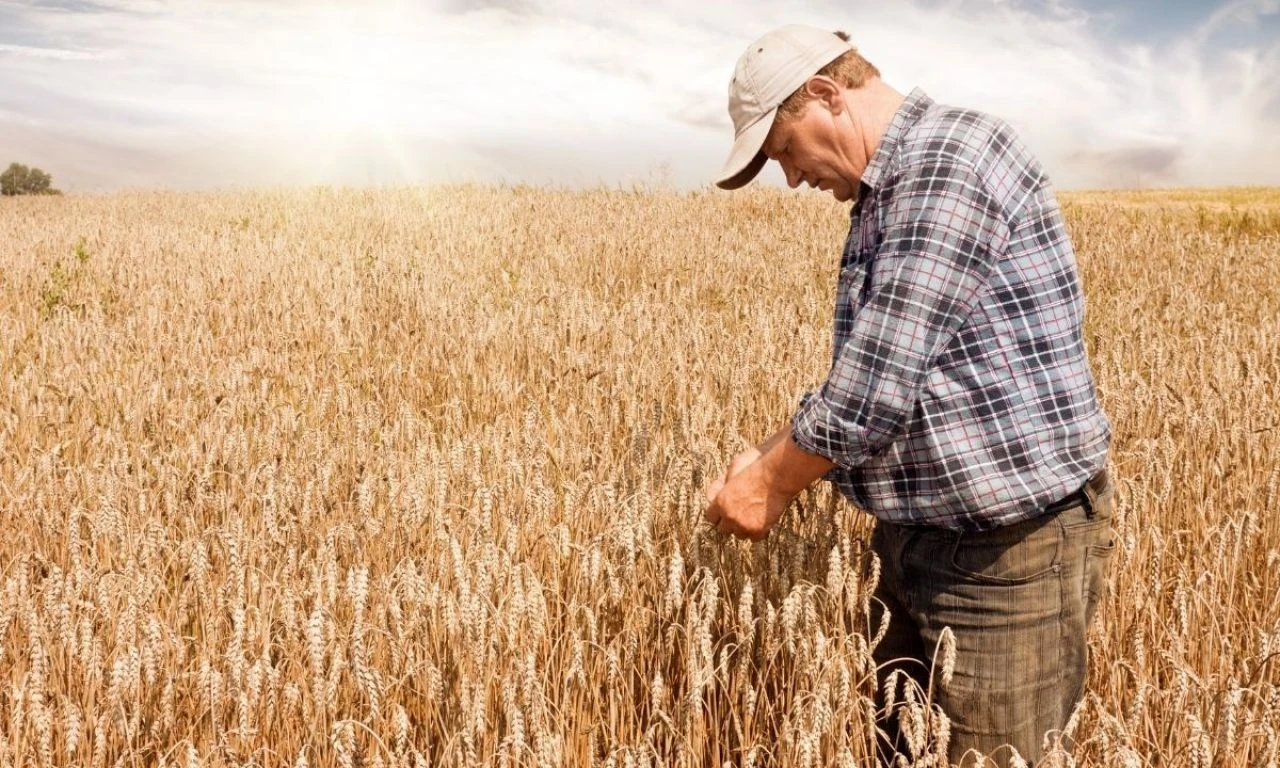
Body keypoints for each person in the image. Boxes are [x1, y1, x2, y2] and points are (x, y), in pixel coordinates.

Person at [702, 24, 1114, 767]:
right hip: (916, 543)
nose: (791, 178)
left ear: (827, 94)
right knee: (902, 752)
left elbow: (874, 387)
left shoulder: (950, 162)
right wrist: (766, 451)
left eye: (785, 150)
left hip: (1007, 558)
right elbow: (880, 366)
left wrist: (768, 483)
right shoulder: (889, 186)